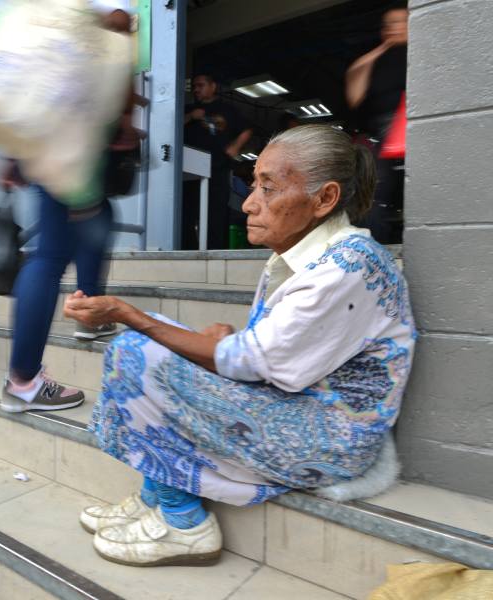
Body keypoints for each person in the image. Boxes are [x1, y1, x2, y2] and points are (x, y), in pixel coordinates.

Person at [64, 124, 416, 567]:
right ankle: (157, 493)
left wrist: (127, 312)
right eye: (255, 185)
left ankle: (184, 523)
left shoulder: (348, 266)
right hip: (298, 407)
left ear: (324, 199)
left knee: (137, 346)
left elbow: (253, 362)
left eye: (268, 189)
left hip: (330, 441)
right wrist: (223, 339)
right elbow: (277, 350)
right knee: (145, 341)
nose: (249, 203)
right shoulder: (304, 256)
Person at [0, 5, 136, 414]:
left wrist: (13, 150)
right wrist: (126, 113)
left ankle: (89, 313)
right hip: (74, 137)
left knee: (87, 227)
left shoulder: (37, 16)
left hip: (42, 134)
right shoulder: (99, 10)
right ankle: (23, 381)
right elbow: (117, 30)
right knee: (51, 256)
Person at [345, 6, 408, 244]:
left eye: (401, 22)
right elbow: (354, 95)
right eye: (389, 24)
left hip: (418, 127)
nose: (395, 27)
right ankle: (375, 246)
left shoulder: (423, 51)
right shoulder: (375, 59)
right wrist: (382, 49)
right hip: (383, 133)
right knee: (374, 191)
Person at [183, 74, 253, 250]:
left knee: (216, 214)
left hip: (218, 168)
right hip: (189, 171)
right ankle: (187, 251)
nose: (197, 89)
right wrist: (191, 116)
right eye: (194, 86)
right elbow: (170, 124)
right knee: (186, 214)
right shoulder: (188, 109)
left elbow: (246, 129)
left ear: (213, 86)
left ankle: (215, 252)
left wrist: (235, 146)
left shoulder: (227, 110)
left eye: (201, 85)